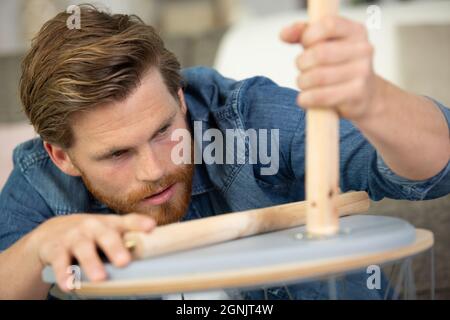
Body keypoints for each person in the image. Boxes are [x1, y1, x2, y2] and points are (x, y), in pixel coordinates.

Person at [0, 5, 449, 299]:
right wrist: (36, 248)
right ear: (63, 157)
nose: (157, 169)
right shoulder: (42, 177)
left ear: (179, 98)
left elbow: (436, 170)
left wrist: (374, 99)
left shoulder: (249, 118)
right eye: (117, 154)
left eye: (163, 131)